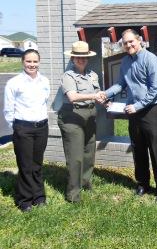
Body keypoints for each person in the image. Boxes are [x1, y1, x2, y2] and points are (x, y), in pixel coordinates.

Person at [101, 29, 157, 201]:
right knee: (137, 148)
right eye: (125, 43)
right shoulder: (125, 61)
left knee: (155, 149)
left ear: (139, 40)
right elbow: (120, 84)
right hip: (133, 110)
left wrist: (137, 106)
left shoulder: (151, 59)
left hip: (151, 109)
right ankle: (143, 184)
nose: (128, 45)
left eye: (131, 41)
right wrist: (106, 94)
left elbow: (155, 89)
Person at [3, 49, 50, 212]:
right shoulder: (14, 83)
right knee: (25, 166)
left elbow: (44, 102)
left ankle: (39, 197)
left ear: (39, 62)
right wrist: (17, 128)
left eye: (35, 61)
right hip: (23, 128)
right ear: (23, 62)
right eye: (28, 61)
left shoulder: (44, 81)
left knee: (37, 165)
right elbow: (8, 110)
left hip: (42, 128)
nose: (32, 64)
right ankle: (24, 200)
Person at [57, 41, 104, 203]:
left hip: (90, 114)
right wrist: (94, 96)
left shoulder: (93, 74)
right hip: (72, 116)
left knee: (89, 152)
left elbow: (98, 94)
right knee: (75, 157)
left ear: (88, 58)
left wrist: (107, 102)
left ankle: (85, 182)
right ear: (72, 58)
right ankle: (73, 195)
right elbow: (72, 97)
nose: (81, 59)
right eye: (77, 57)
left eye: (84, 57)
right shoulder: (68, 76)